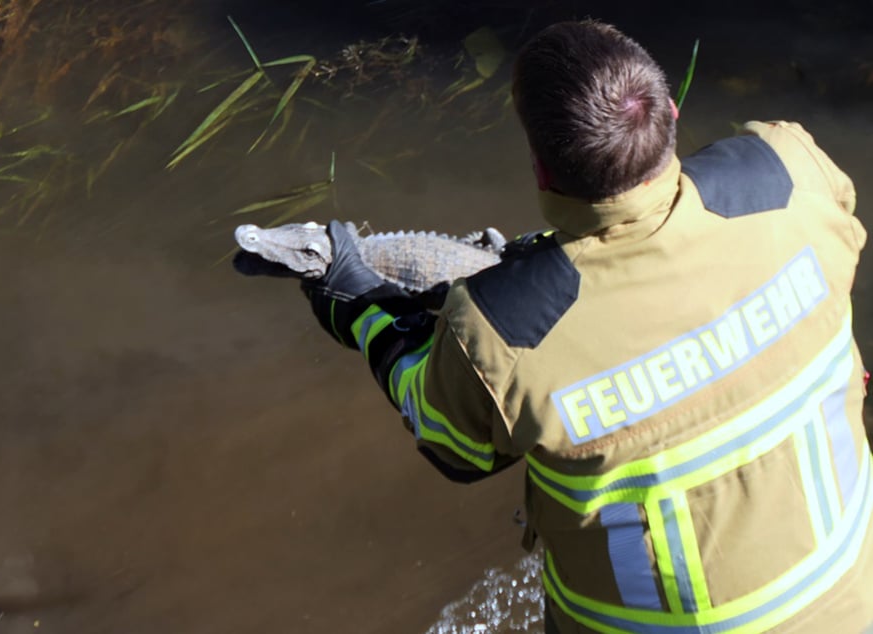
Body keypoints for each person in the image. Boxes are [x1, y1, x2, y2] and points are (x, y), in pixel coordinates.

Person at [292, 20, 872, 634]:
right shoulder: (793, 170)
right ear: (671, 110)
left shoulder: (498, 329)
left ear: (540, 174)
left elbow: (453, 447)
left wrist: (357, 306)